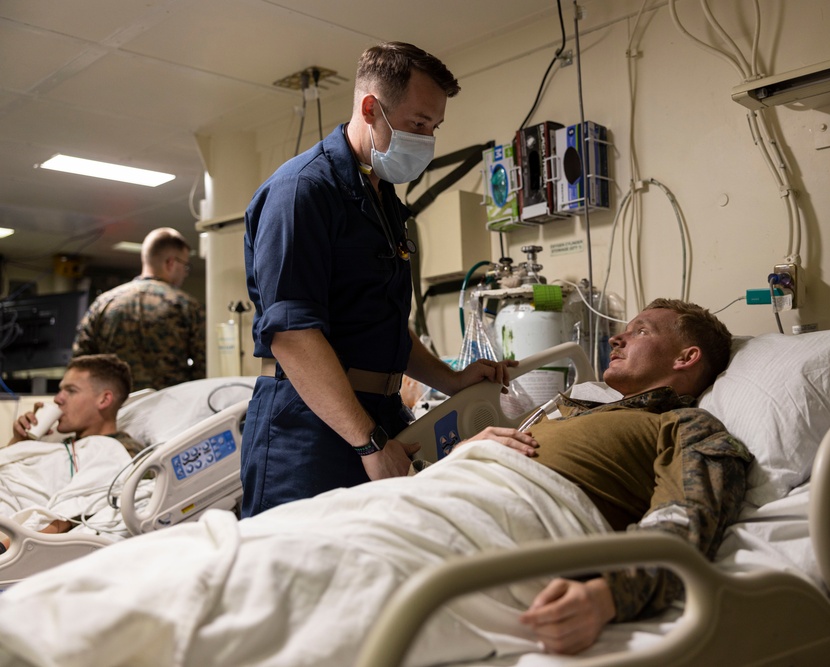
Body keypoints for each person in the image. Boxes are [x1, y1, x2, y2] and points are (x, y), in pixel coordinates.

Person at [0, 299, 753, 666]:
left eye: (644, 328)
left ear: (687, 361)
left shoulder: (686, 428)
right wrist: (466, 453)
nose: (618, 333)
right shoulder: (567, 406)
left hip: (512, 520)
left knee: (275, 576)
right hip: (435, 492)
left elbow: (687, 520)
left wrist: (609, 592)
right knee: (220, 544)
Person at [242, 41, 515, 517]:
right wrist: (368, 443)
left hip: (378, 413)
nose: (427, 139)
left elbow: (381, 323)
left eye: (434, 127)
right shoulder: (303, 191)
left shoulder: (382, 199)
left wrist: (451, 381)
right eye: (417, 123)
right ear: (371, 108)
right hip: (311, 428)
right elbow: (292, 334)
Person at [1, 354, 138, 549]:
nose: (57, 399)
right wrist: (20, 443)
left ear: (104, 399)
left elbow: (80, 504)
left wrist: (8, 547)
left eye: (70, 391)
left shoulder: (122, 452)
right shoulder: (57, 442)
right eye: (59, 390)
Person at [73, 227, 206, 391]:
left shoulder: (103, 304)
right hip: (171, 408)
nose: (185, 273)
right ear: (171, 263)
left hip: (116, 408)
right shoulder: (187, 306)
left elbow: (80, 365)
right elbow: (203, 366)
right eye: (185, 266)